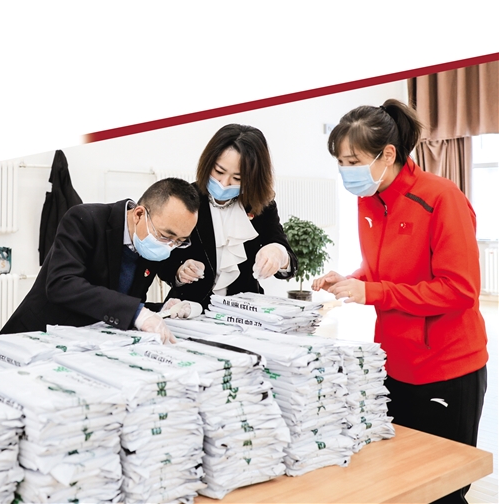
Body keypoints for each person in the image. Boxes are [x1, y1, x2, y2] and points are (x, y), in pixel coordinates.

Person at [312, 99, 488, 504]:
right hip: (393, 363)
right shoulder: (369, 199)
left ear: (387, 154)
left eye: (353, 161)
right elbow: (384, 268)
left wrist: (373, 292)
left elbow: (459, 290)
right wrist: (352, 280)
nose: (346, 171)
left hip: (447, 368)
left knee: (444, 489)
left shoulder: (441, 197)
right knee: (401, 481)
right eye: (340, 162)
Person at [0, 178, 200, 343]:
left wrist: (160, 310)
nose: (169, 246)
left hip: (87, 343)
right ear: (139, 214)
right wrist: (137, 313)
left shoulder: (149, 244)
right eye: (166, 236)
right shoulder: (85, 219)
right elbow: (62, 284)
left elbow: (117, 300)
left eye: (179, 241)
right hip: (36, 337)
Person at [157, 124, 296, 309]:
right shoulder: (186, 199)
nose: (224, 183)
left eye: (237, 178)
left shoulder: (262, 204)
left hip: (244, 311)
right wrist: (179, 271)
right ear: (208, 163)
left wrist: (279, 254)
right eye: (219, 172)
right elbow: (163, 260)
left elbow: (289, 266)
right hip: (189, 308)